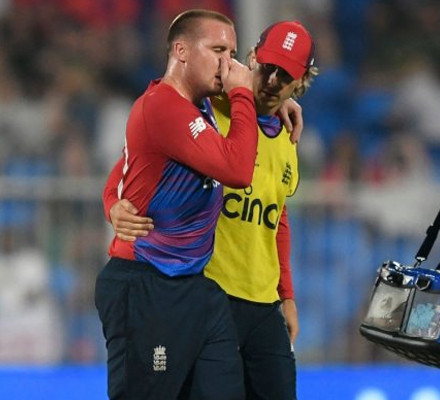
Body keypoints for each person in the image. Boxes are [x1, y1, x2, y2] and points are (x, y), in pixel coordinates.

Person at [104, 20, 317, 400]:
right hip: (208, 290)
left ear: (300, 83)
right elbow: (133, 161)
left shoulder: (288, 134)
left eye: (284, 76)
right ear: (252, 59)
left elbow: (277, 215)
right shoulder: (207, 107)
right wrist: (112, 203)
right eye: (267, 67)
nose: (271, 81)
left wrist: (286, 294)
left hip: (262, 301)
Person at [94, 9, 259, 400]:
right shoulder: (162, 106)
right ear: (182, 51)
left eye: (232, 53)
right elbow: (238, 171)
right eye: (217, 50)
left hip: (194, 287)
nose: (228, 64)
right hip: (147, 285)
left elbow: (128, 164)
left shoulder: (199, 106)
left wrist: (112, 200)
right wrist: (243, 94)